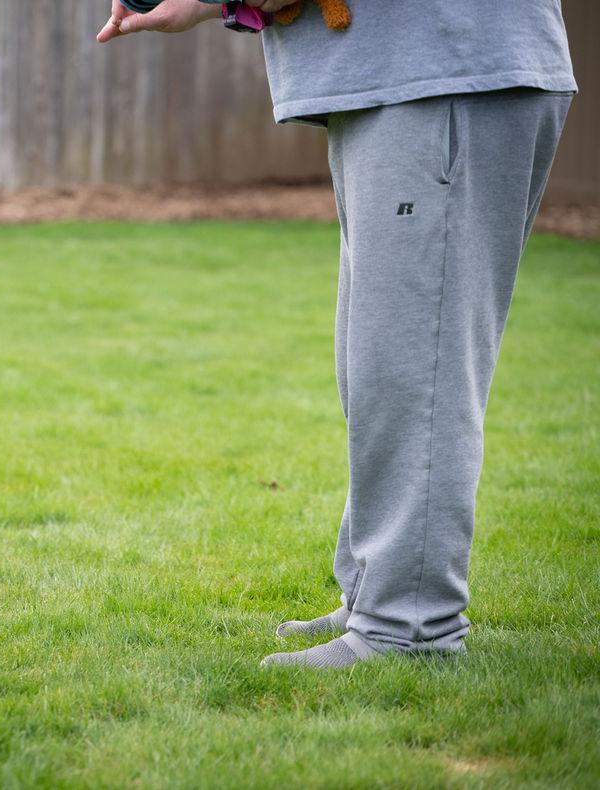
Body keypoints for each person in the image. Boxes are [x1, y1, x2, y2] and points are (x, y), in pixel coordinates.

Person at [98, 0, 577, 668]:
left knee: (414, 372)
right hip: (405, 79)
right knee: (376, 368)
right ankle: (375, 597)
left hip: (444, 71)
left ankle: (409, 628)